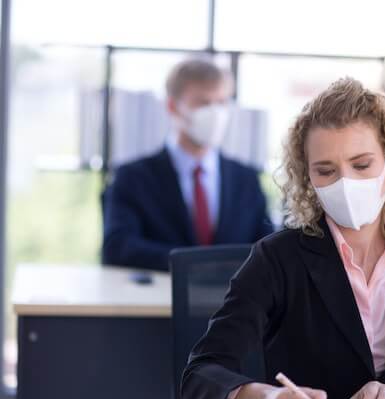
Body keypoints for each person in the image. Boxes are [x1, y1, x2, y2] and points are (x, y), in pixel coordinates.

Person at [181, 77, 385, 399]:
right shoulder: (277, 259)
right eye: (326, 171)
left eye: (361, 165)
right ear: (308, 178)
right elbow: (201, 373)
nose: (345, 183)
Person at [102, 58, 274, 272]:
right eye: (203, 103)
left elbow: (269, 250)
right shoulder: (133, 177)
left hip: (238, 303)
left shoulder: (246, 179)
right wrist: (195, 265)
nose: (215, 113)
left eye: (221, 103)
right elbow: (117, 247)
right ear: (173, 106)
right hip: (159, 302)